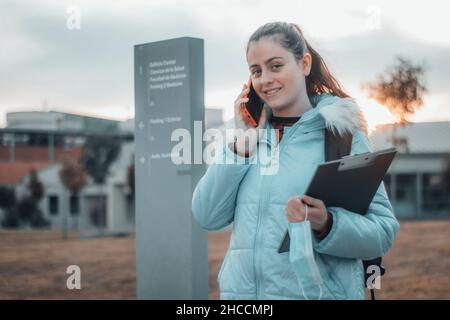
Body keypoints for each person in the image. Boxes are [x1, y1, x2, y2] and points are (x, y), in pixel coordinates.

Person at [192, 22, 399, 300]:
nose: (265, 79)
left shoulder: (342, 136)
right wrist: (242, 145)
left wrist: (327, 223)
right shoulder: (245, 140)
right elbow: (206, 215)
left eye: (275, 66)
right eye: (256, 71)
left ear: (304, 63)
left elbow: (382, 232)